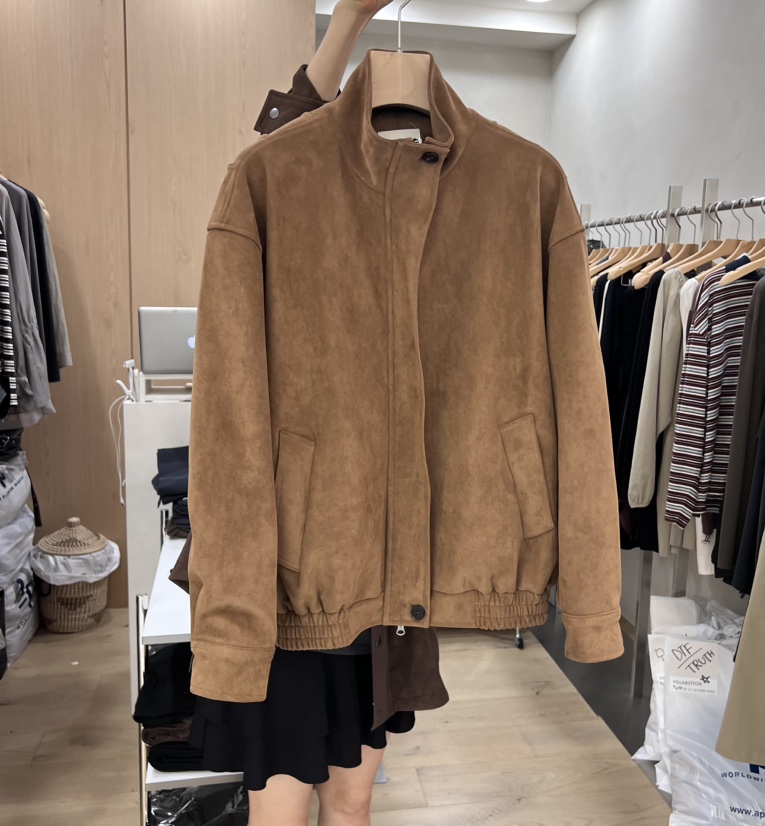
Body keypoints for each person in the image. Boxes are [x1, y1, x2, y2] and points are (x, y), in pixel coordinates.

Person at [188, 3, 447, 826]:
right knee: (282, 805)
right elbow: (279, 149)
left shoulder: (430, 217)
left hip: (385, 572)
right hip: (285, 573)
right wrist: (350, 23)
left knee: (356, 798)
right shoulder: (286, 189)